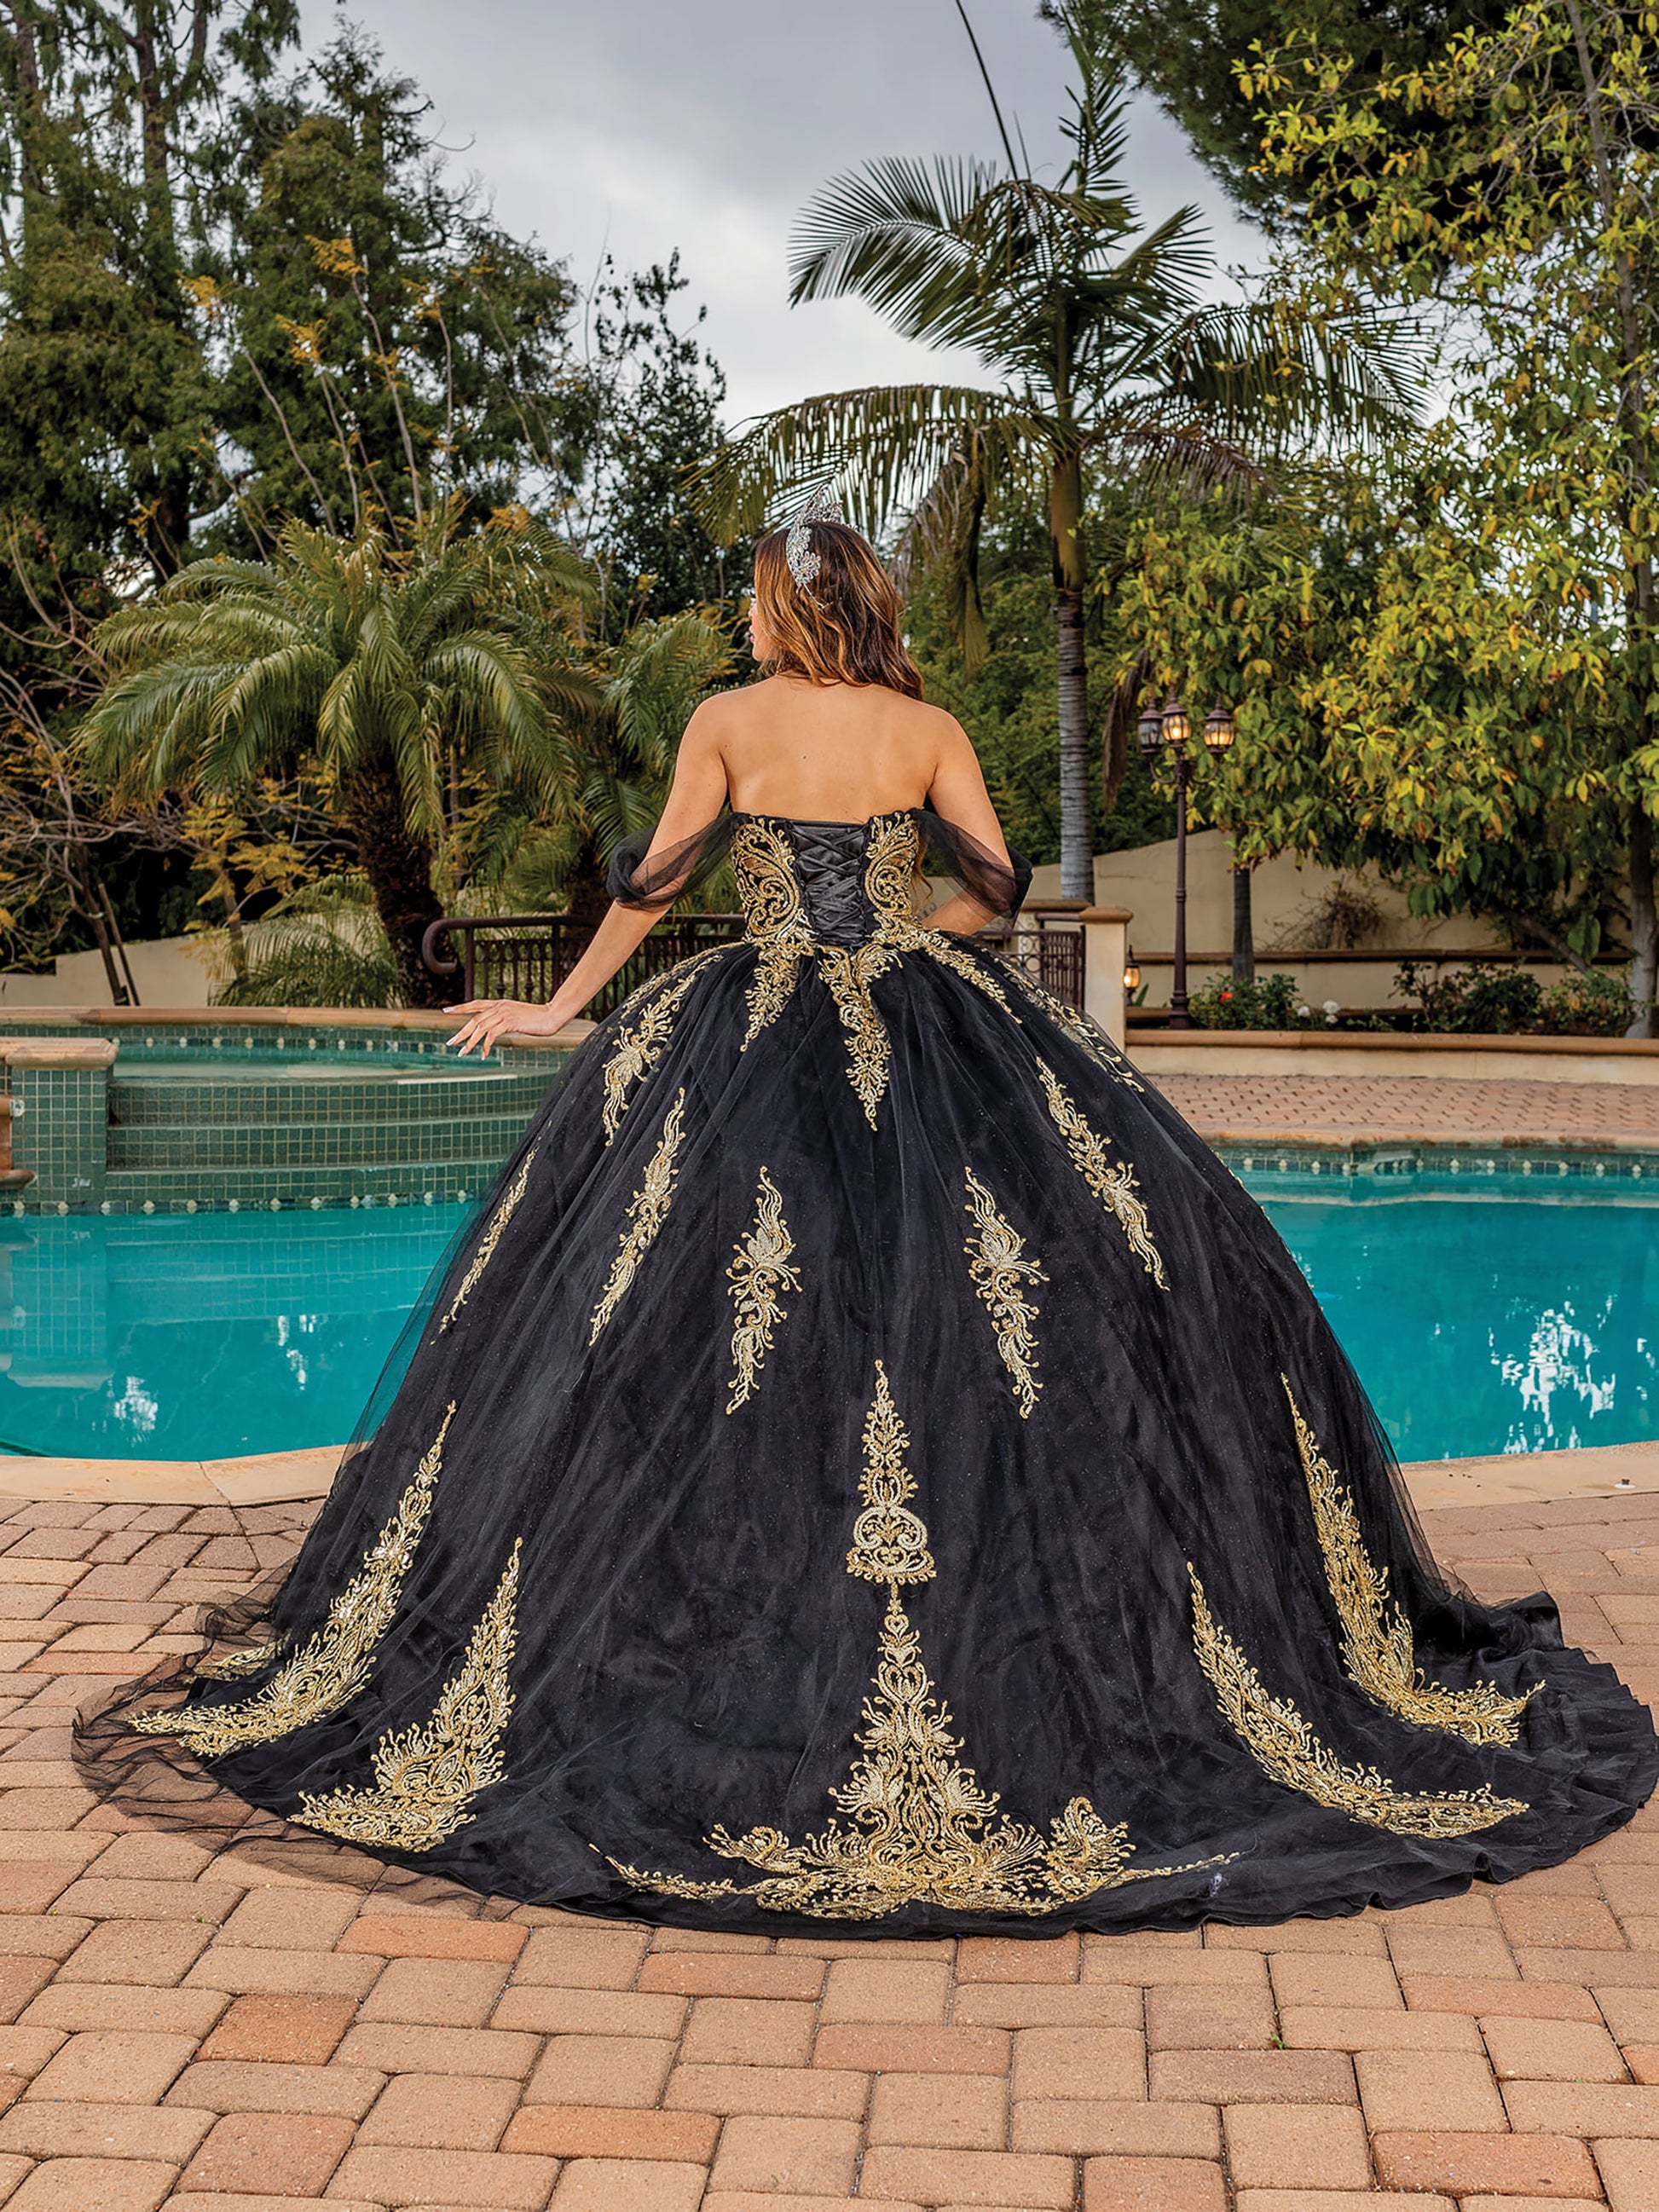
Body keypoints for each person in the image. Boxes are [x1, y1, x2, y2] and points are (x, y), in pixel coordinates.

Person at [78, 511, 1657, 1937]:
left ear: (786, 609)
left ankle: (725, 1625)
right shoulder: (926, 727)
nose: (742, 619)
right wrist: (908, 942)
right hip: (924, 1014)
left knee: (701, 1317)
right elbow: (997, 882)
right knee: (958, 1313)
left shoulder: (727, 720)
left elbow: (652, 883)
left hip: (749, 1031)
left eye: (753, 600)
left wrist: (563, 1010)